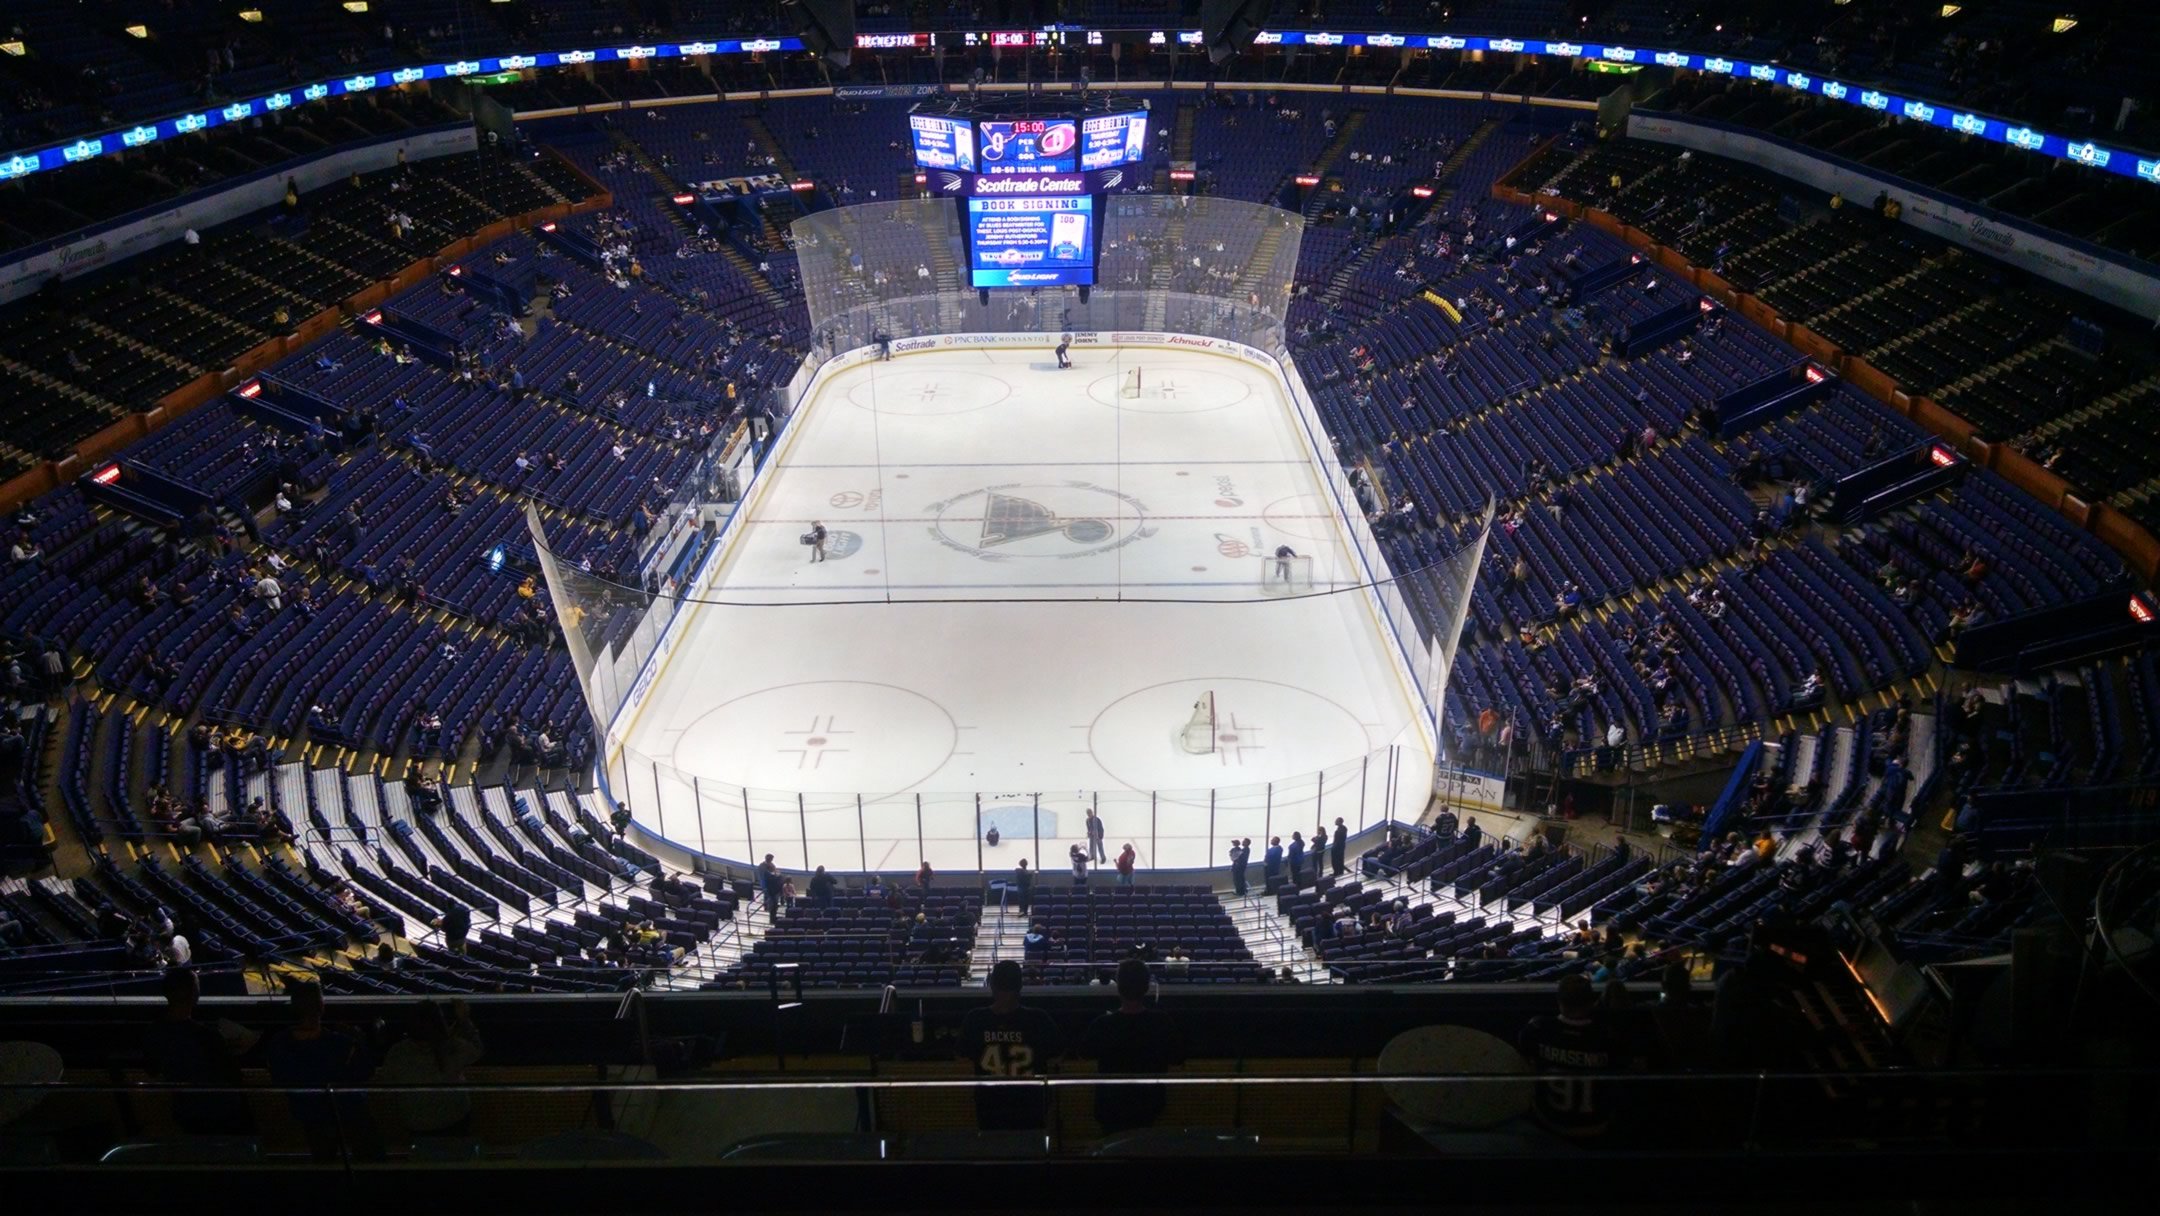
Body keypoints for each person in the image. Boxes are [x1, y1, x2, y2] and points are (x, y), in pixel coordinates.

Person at [262, 976, 380, 1160]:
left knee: (324, 1162)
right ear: (321, 1006)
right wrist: (359, 1041)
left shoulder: (278, 1044)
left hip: (307, 1115)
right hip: (348, 1112)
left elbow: (279, 1078)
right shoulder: (342, 1042)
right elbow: (366, 1071)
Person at [144, 966, 259, 1135]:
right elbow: (231, 1075)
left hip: (185, 1109)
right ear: (193, 993)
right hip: (220, 1111)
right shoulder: (205, 1035)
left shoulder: (153, 1032)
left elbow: (152, 1069)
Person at [1081, 958, 1183, 1134]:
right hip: (1151, 1105)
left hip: (1110, 1105)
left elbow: (1083, 1055)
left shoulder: (1102, 1024)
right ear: (1146, 987)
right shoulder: (1162, 1023)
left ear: (1119, 987)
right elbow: (1177, 1060)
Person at [1517, 973, 1624, 1140]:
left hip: (1547, 1121)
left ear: (1558, 1000)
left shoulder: (1538, 1029)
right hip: (1597, 1125)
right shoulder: (1609, 1038)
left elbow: (1523, 1061)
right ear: (1592, 1002)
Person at [957, 960, 1060, 1130]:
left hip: (990, 1103)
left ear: (992, 985)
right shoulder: (1039, 1019)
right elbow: (1058, 1053)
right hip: (1030, 1102)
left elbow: (960, 1055)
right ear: (1020, 986)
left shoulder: (975, 1019)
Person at [377, 999, 484, 1137]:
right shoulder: (452, 1048)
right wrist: (464, 1020)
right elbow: (477, 1050)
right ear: (440, 1022)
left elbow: (387, 1083)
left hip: (416, 1123)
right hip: (455, 1118)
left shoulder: (397, 1052)